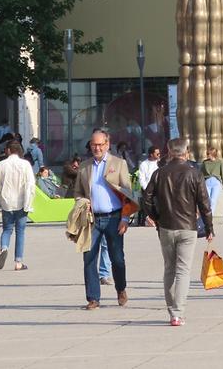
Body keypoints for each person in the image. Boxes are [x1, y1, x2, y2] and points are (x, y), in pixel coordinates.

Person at [142, 137, 213, 326]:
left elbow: (146, 199)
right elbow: (204, 204)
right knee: (183, 270)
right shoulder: (194, 173)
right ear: (186, 151)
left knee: (169, 268)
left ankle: (171, 310)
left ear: (169, 151)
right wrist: (209, 227)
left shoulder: (159, 173)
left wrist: (156, 216)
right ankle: (177, 313)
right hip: (188, 226)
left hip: (166, 226)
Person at [73, 128, 134, 310]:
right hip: (92, 220)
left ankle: (121, 288)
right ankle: (93, 298)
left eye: (100, 144)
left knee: (117, 259)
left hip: (114, 217)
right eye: (94, 144)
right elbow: (77, 192)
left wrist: (125, 218)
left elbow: (128, 192)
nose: (97, 148)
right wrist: (82, 202)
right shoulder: (84, 167)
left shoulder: (119, 163)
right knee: (89, 258)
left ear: (107, 144)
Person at [0, 140, 36, 271]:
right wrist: (29, 202)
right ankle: (18, 262)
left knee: (6, 230)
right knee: (20, 232)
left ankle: (4, 247)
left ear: (9, 150)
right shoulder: (25, 164)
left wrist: (1, 200)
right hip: (22, 202)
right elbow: (30, 185)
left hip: (7, 202)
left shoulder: (0, 165)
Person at [201, 147, 223, 214]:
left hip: (216, 182)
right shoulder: (205, 162)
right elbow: (201, 174)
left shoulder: (219, 162)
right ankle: (206, 215)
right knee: (206, 200)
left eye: (209, 154)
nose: (207, 155)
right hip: (207, 182)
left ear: (213, 154)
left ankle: (211, 216)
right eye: (207, 154)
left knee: (213, 200)